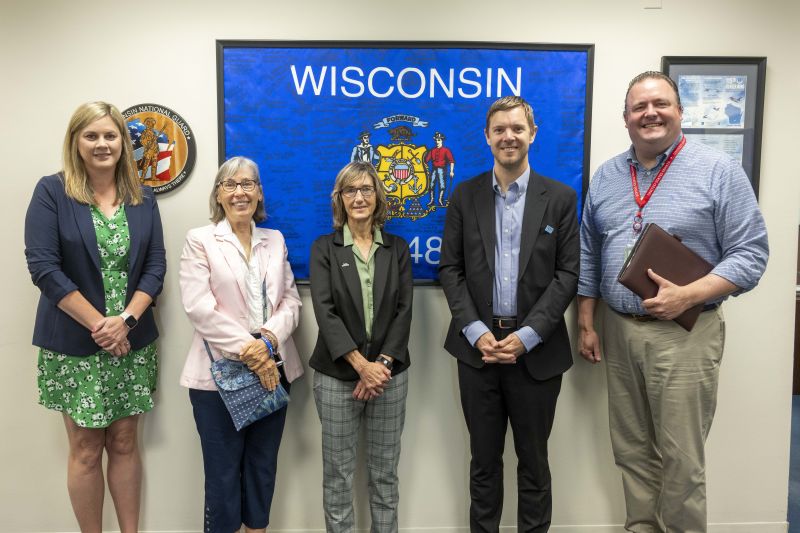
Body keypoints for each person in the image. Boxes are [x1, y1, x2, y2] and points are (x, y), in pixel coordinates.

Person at [577, 71, 769, 532]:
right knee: (631, 450)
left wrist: (690, 294)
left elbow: (752, 253)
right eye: (639, 107)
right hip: (619, 332)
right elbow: (589, 251)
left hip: (686, 336)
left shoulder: (718, 170)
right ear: (625, 119)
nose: (650, 113)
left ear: (680, 112)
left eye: (660, 103)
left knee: (682, 460)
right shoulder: (606, 176)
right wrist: (587, 321)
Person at [439, 95, 579, 532]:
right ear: (486, 137)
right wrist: (477, 332)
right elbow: (450, 268)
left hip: (536, 356)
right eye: (499, 130)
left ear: (532, 134)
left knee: (534, 465)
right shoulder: (464, 195)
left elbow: (568, 275)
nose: (508, 137)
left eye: (517, 128)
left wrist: (528, 335)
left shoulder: (559, 198)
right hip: (478, 353)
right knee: (483, 463)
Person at [24, 101, 166, 533]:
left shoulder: (143, 198)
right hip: (74, 344)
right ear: (76, 142)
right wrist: (101, 327)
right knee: (86, 448)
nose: (102, 144)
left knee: (124, 442)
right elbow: (43, 268)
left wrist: (124, 321)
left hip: (132, 341)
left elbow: (155, 266)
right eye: (91, 135)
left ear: (123, 142)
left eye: (110, 135)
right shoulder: (52, 192)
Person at [179, 156, 304, 533]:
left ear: (259, 192)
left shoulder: (274, 239)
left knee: (262, 469)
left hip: (274, 373)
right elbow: (199, 308)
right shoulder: (200, 240)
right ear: (218, 194)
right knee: (222, 476)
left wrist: (267, 341)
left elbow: (291, 302)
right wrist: (252, 352)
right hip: (219, 378)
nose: (240, 192)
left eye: (248, 184)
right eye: (230, 185)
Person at [309, 160, 413, 532]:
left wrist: (379, 366)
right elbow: (324, 310)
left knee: (385, 474)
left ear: (377, 196)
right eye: (350, 190)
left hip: (389, 377)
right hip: (338, 376)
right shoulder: (325, 248)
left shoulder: (397, 249)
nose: (359, 197)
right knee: (338, 476)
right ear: (339, 199)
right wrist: (360, 366)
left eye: (366, 189)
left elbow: (404, 311)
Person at [424, 131, 455, 206]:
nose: (437, 142)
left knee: (442, 185)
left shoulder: (446, 150)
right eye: (436, 140)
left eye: (439, 140)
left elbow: (451, 161)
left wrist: (451, 171)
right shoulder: (432, 150)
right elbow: (426, 160)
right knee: (431, 185)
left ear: (442, 140)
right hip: (434, 169)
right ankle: (432, 200)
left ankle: (440, 200)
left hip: (442, 170)